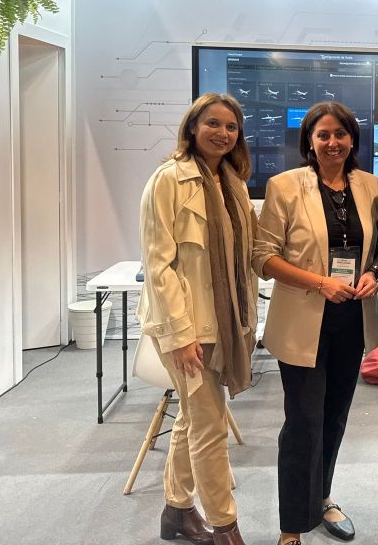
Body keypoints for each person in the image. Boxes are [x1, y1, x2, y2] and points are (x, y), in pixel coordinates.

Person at [256, 102, 378, 545]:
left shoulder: (369, 185)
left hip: (351, 319)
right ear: (309, 140)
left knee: (334, 417)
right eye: (323, 134)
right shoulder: (284, 186)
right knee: (303, 422)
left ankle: (322, 497)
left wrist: (373, 273)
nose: (333, 143)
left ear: (352, 139)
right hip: (302, 321)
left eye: (340, 134)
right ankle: (292, 524)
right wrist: (319, 282)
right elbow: (263, 258)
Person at [139, 93, 260, 545]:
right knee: (210, 426)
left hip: (223, 324)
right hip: (186, 328)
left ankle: (177, 511)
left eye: (231, 126)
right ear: (193, 126)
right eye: (212, 123)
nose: (222, 133)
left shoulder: (233, 183)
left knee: (195, 418)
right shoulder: (168, 180)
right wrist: (181, 336)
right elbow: (159, 267)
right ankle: (226, 527)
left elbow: (243, 258)